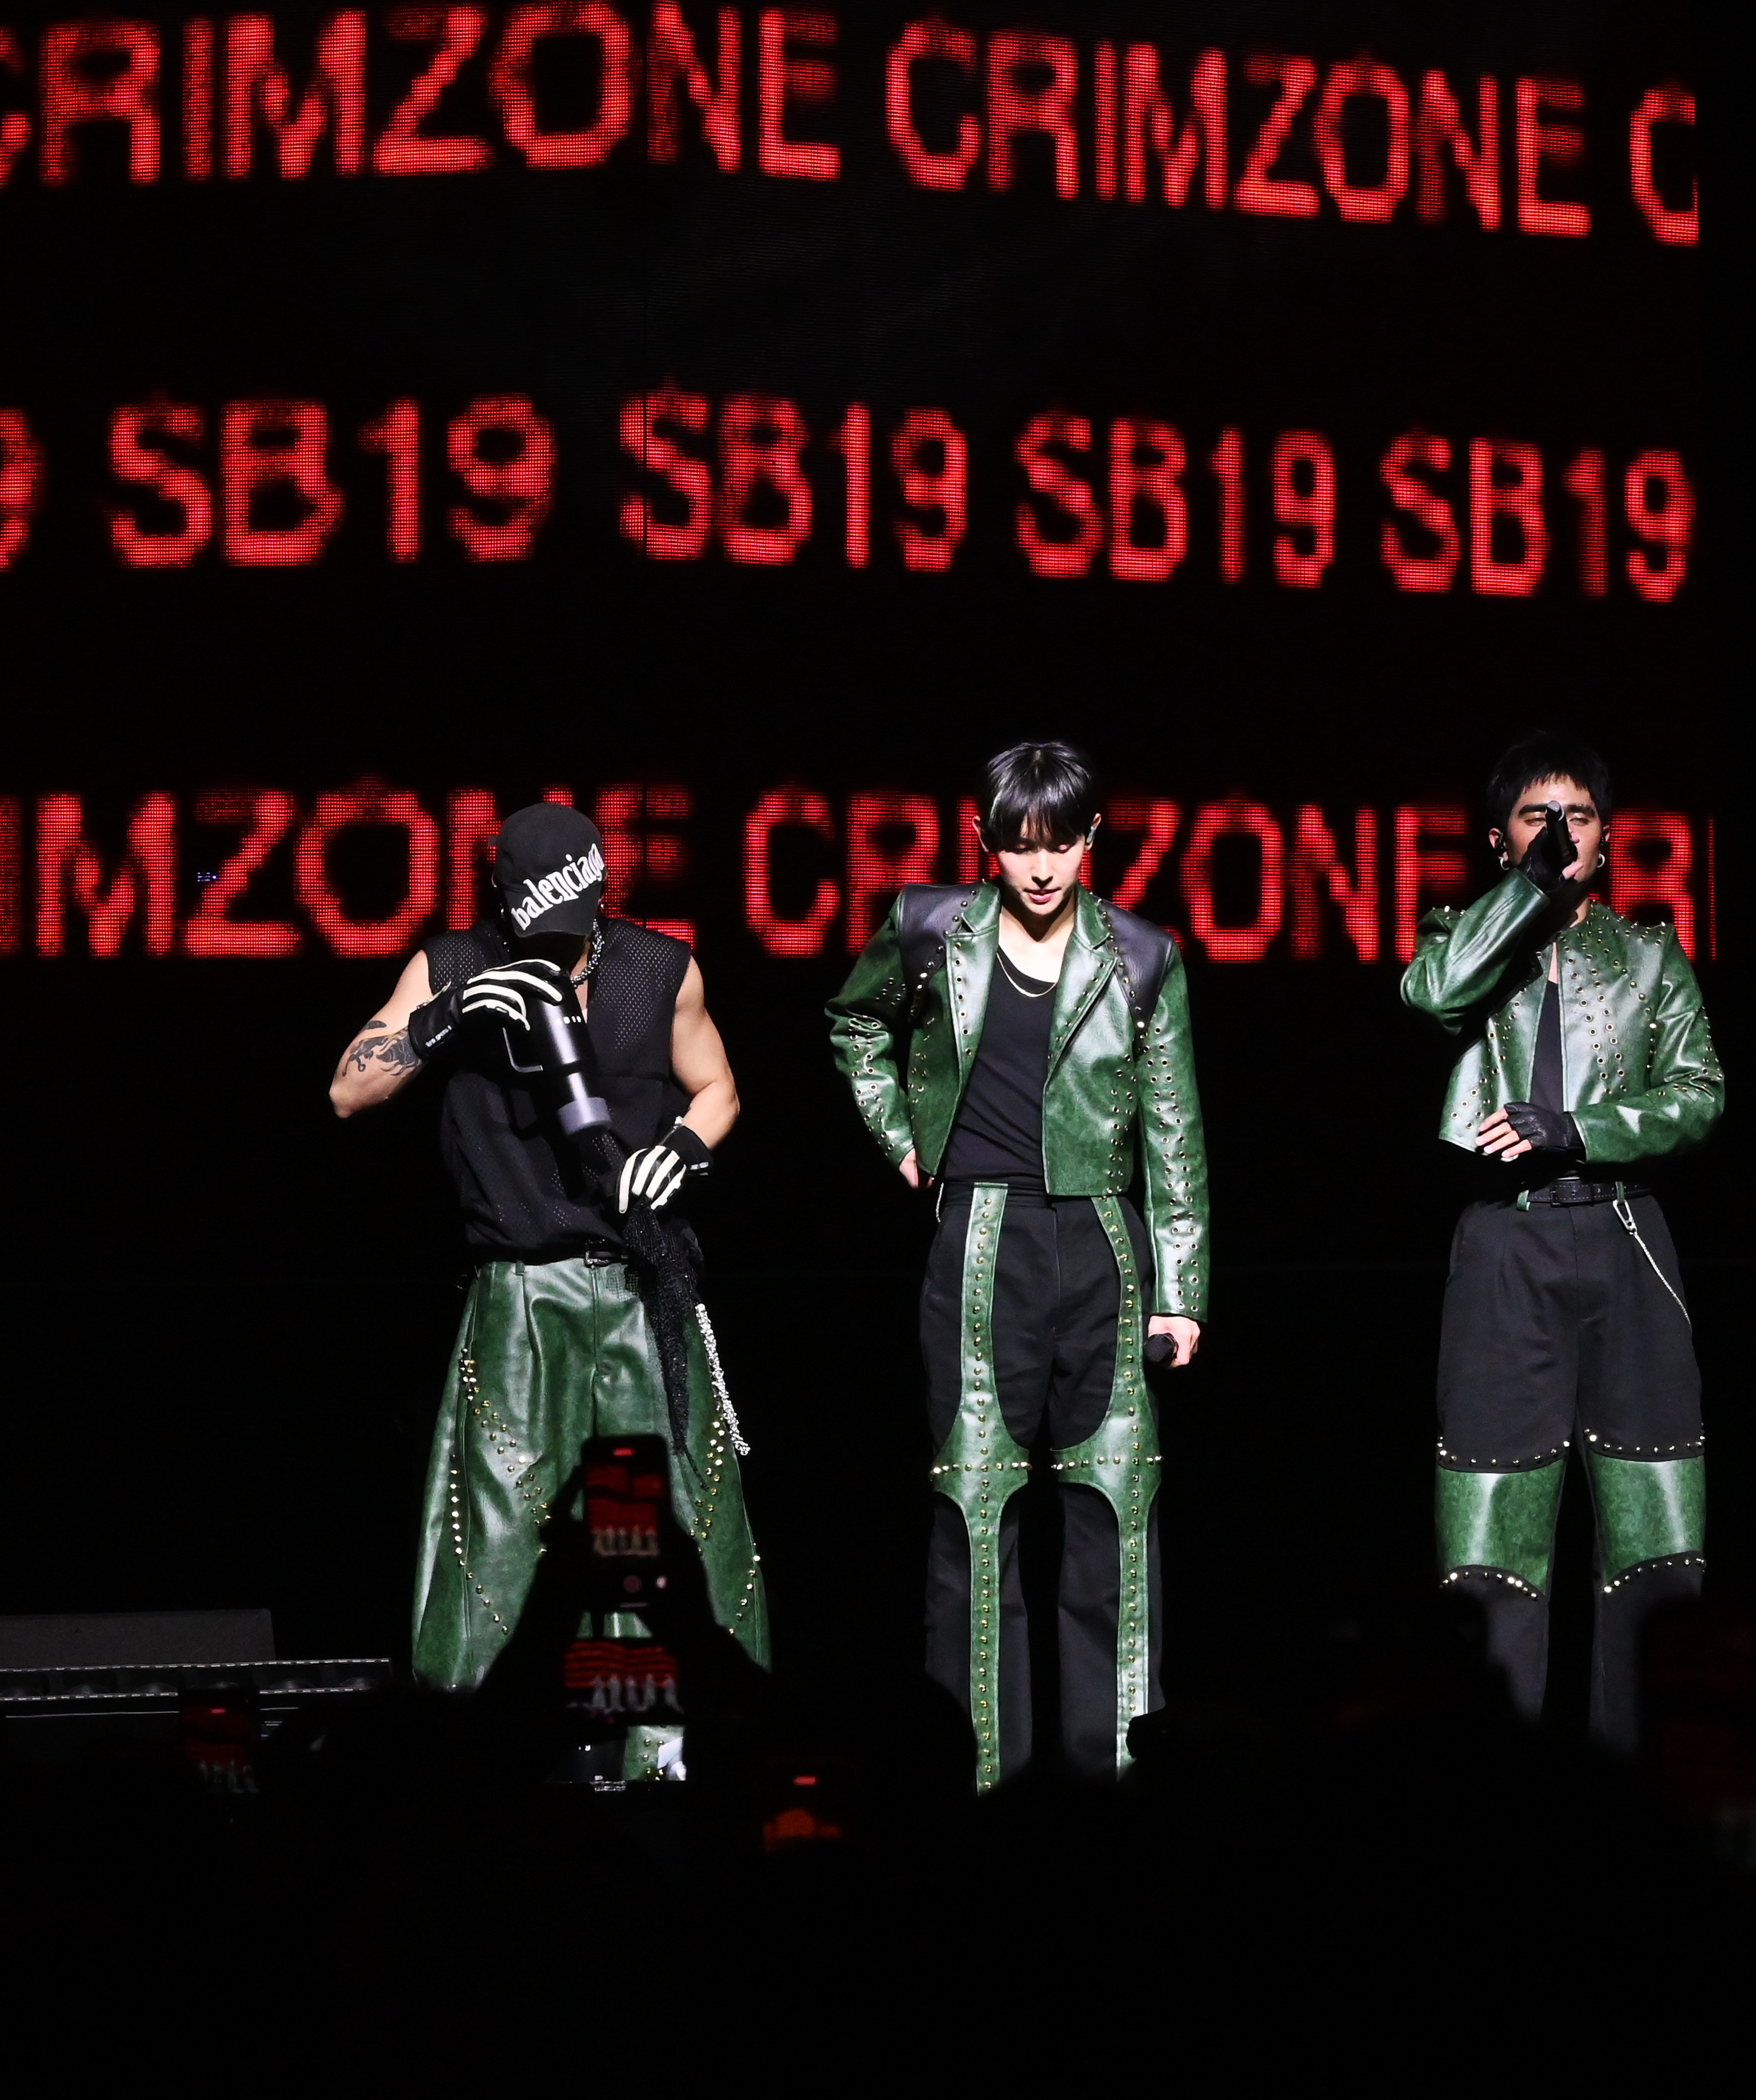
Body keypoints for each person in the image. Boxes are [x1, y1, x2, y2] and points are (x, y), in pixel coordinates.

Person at [825, 742, 1208, 1785]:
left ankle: (1115, 1781)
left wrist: (1181, 1293)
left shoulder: (1143, 956)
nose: (1040, 868)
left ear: (1093, 841)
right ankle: (975, 1783)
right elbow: (854, 1024)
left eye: (1060, 844)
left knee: (1113, 1508)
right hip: (980, 1239)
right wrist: (903, 1136)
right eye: (1019, 845)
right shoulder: (928, 928)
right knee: (974, 1502)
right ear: (985, 841)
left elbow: (1174, 1129)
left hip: (1104, 1245)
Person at [331, 801, 767, 1693]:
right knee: (502, 1533)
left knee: (667, 1527)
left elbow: (718, 1086)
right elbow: (347, 1091)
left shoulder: (658, 967)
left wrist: (684, 1146)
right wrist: (439, 1020)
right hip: (521, 1291)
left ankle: (678, 1746)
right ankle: (483, 1746)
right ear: (504, 895)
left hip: (641, 1285)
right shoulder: (453, 963)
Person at [1401, 730, 1724, 1744]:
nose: (1560, 831)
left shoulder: (1649, 954)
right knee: (1491, 1538)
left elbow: (1701, 1094)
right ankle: (1494, 1774)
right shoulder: (1461, 937)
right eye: (1537, 817)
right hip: (1506, 1242)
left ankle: (1650, 1772)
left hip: (1625, 1235)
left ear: (1608, 838)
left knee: (1655, 1538)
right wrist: (1527, 891)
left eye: (1578, 817)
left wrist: (1583, 1128)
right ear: (1499, 840)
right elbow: (1433, 994)